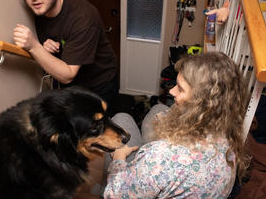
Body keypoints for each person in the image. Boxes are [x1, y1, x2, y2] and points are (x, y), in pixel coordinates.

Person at [102, 52, 250, 198]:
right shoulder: (229, 138)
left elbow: (115, 195)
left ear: (200, 104)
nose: (171, 91)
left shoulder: (160, 157)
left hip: (159, 166)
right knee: (159, 109)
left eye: (180, 88)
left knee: (122, 118)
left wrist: (118, 160)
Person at [11, 0, 118, 113]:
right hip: (72, 88)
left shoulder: (83, 17)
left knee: (101, 132)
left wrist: (34, 46)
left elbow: (68, 74)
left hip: (99, 84)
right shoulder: (41, 8)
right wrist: (46, 46)